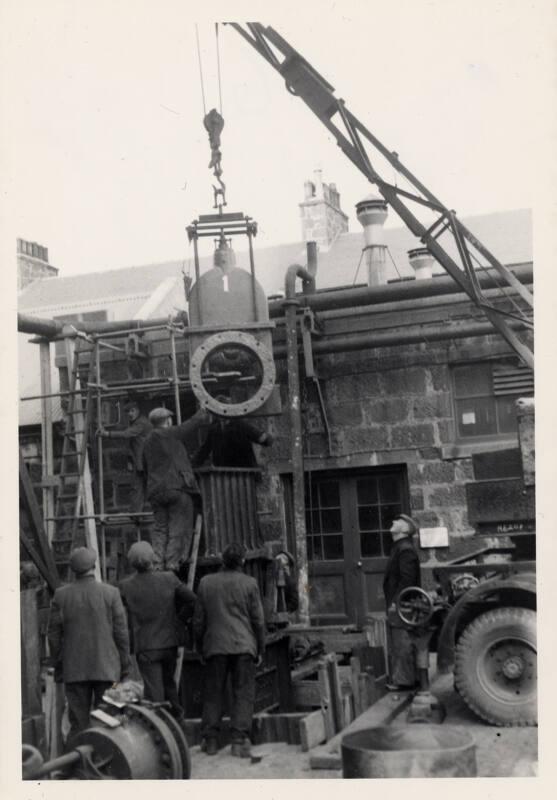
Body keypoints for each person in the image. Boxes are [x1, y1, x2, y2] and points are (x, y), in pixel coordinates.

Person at [47, 547, 130, 742]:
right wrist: (125, 666)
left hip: (75, 671)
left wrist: (59, 664)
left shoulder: (60, 595)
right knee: (109, 721)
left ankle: (77, 766)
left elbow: (53, 636)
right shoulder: (111, 593)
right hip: (107, 668)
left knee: (78, 724)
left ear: (74, 570)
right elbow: (121, 634)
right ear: (94, 566)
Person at [193, 542, 265, 757]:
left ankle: (211, 741)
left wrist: (200, 647)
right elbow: (258, 621)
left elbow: (198, 621)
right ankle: (239, 740)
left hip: (215, 646)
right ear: (242, 562)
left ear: (222, 560)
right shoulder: (250, 584)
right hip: (244, 646)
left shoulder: (205, 583)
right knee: (243, 692)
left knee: (213, 693)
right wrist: (260, 649)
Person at [119, 541, 196, 721]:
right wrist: (179, 620)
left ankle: (161, 733)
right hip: (169, 643)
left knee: (155, 695)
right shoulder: (169, 578)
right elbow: (192, 600)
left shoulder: (125, 585)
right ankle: (178, 725)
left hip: (146, 647)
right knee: (170, 686)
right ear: (152, 558)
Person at [142, 406, 209, 570]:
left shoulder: (146, 442)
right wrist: (202, 411)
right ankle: (172, 563)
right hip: (176, 487)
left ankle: (157, 564)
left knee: (160, 529)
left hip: (155, 491)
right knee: (178, 527)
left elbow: (144, 469)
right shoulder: (166, 433)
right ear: (168, 421)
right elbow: (187, 427)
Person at [383, 513, 422, 691]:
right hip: (401, 603)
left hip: (403, 604)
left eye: (398, 521)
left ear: (404, 530)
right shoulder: (400, 547)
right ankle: (404, 679)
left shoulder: (405, 549)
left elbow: (407, 579)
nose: (393, 521)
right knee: (400, 641)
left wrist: (396, 601)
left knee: (402, 641)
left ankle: (404, 681)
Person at [98, 400, 152, 513]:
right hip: (140, 464)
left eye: (132, 411)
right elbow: (133, 444)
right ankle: (136, 515)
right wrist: (130, 460)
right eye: (128, 412)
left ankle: (139, 513)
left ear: (137, 411)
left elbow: (126, 434)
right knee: (137, 489)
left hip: (147, 463)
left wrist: (107, 434)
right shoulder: (136, 422)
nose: (130, 414)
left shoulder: (141, 423)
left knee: (146, 489)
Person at [193, 404, 274, 469]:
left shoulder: (241, 425)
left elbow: (264, 439)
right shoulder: (214, 429)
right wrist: (193, 466)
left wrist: (265, 438)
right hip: (223, 475)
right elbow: (204, 450)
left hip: (245, 475)